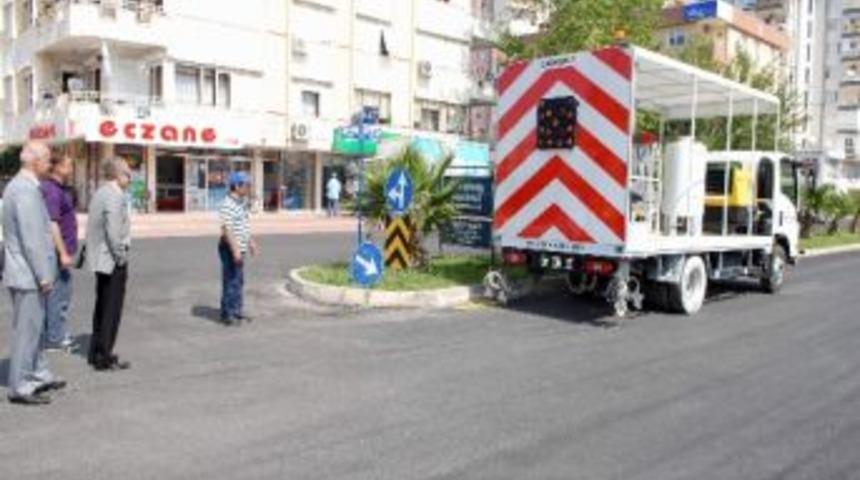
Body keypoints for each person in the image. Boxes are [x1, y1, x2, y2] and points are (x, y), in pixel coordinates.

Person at [2, 141, 65, 405]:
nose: (50, 165)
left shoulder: (22, 186)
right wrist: (44, 274)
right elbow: (32, 239)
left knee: (35, 329)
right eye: (47, 160)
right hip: (28, 274)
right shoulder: (25, 190)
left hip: (26, 272)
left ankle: (38, 374)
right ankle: (21, 386)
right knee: (27, 331)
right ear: (34, 161)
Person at [85, 158, 132, 371]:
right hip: (112, 260)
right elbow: (113, 231)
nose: (130, 178)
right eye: (127, 174)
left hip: (100, 259)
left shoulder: (100, 192)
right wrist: (121, 256)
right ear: (117, 174)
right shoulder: (114, 195)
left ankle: (96, 352)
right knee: (111, 309)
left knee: (102, 306)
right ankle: (104, 355)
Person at [41, 154, 78, 352]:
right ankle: (55, 337)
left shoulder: (58, 189)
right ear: (56, 167)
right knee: (59, 295)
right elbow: (52, 222)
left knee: (60, 294)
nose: (71, 169)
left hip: (60, 251)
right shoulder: (52, 190)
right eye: (69, 165)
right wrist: (63, 252)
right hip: (57, 253)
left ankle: (54, 333)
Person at [218, 171, 258, 326]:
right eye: (245, 185)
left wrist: (251, 242)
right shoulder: (227, 204)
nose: (248, 188)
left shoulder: (241, 202)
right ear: (236, 186)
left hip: (239, 246)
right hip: (229, 247)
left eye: (248, 185)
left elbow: (244, 225)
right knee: (232, 280)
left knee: (238, 281)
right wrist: (235, 249)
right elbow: (226, 230)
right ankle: (229, 314)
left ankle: (235, 310)